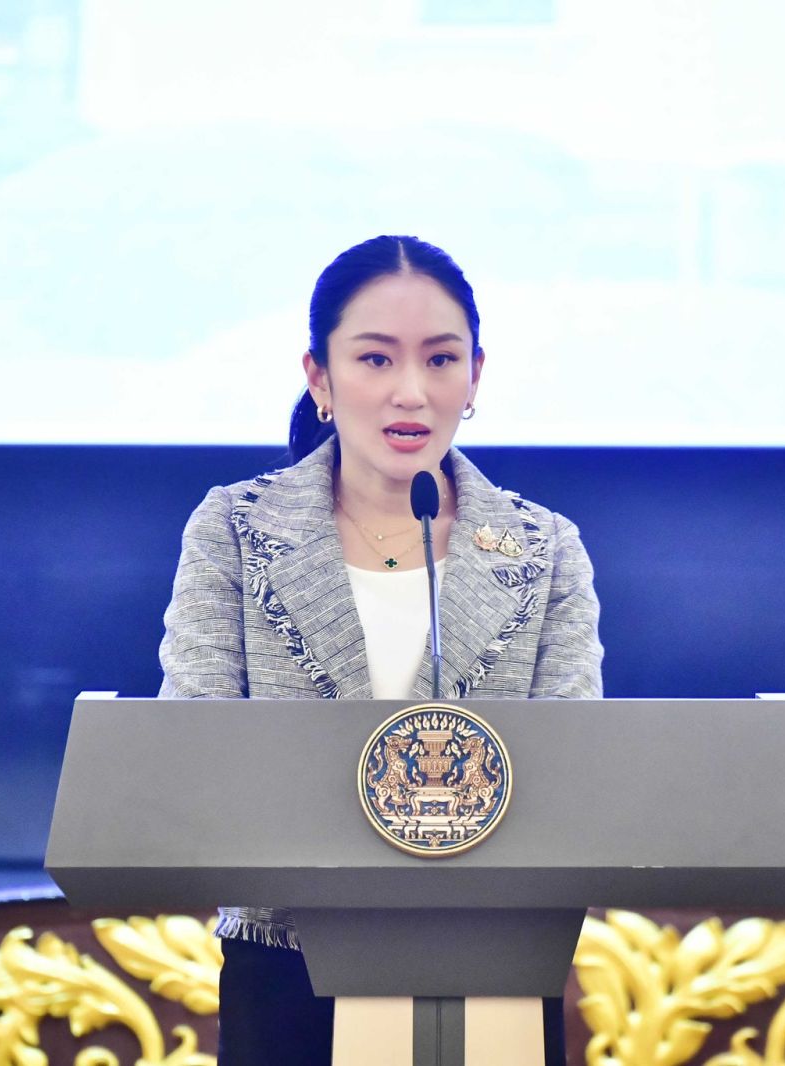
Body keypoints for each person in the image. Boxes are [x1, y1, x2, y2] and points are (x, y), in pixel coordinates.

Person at [157, 234, 603, 1065]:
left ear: (475, 376)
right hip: (287, 972)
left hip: (496, 963)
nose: (411, 391)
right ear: (320, 377)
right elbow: (197, 758)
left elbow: (574, 780)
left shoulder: (544, 549)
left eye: (440, 360)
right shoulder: (235, 530)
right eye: (375, 359)